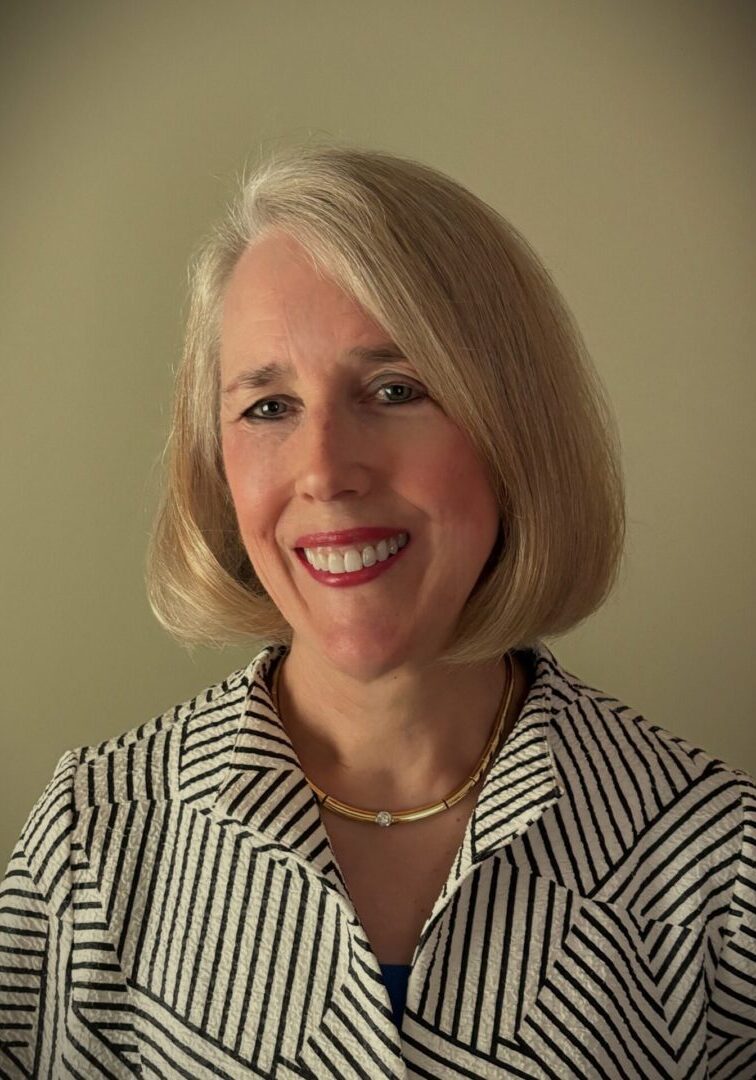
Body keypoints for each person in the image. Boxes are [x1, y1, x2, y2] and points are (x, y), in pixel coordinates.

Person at [1, 144, 753, 1080]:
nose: (324, 470)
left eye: (394, 391)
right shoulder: (94, 841)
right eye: (269, 407)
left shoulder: (719, 866)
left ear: (513, 427)